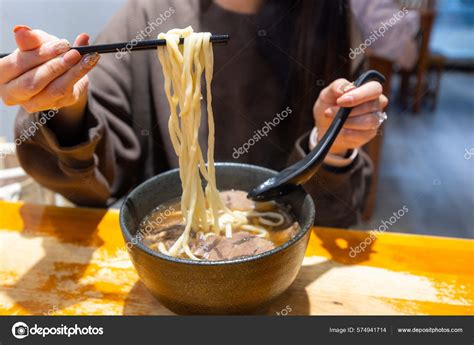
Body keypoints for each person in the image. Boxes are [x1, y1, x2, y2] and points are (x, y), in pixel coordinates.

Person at [0, 0, 394, 227]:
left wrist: (333, 142)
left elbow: (335, 214)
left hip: (282, 258)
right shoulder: (148, 15)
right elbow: (91, 182)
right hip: (162, 257)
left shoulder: (325, 18)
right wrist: (65, 106)